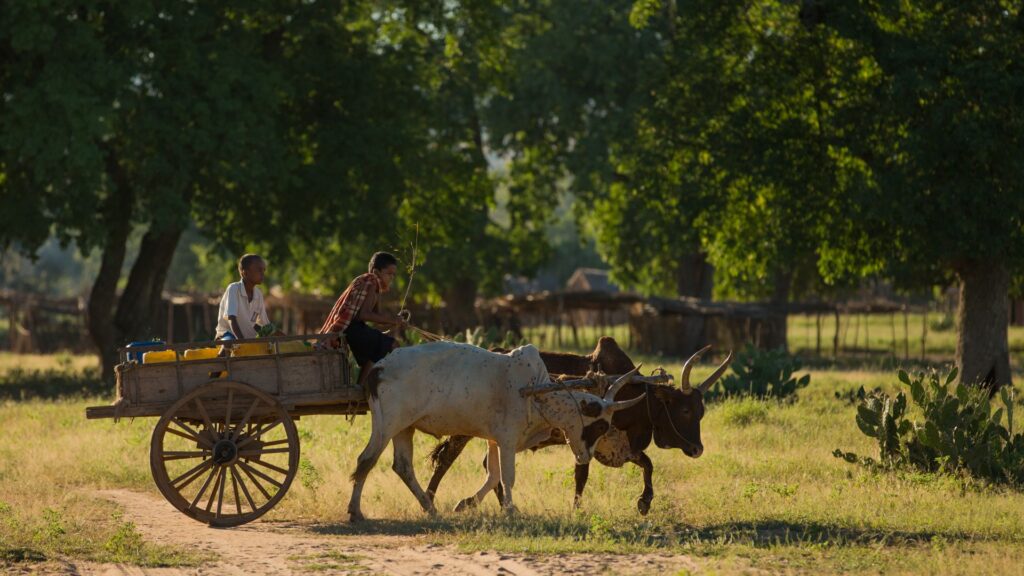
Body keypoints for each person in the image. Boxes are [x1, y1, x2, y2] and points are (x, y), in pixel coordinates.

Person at [318, 252, 407, 385]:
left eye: (393, 275)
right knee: (392, 345)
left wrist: (395, 322)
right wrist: (393, 319)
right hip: (352, 328)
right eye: (389, 274)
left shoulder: (376, 288)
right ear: (376, 272)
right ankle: (394, 383)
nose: (391, 278)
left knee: (379, 349)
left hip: (355, 329)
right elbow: (364, 315)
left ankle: (361, 388)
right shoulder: (371, 281)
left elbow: (377, 319)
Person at [216, 254, 271, 342]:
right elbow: (232, 319)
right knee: (229, 343)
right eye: (259, 270)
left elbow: (265, 325)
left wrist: (284, 338)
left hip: (248, 337)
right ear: (245, 273)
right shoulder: (234, 289)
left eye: (264, 270)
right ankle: (221, 355)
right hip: (228, 334)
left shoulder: (258, 294)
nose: (263, 274)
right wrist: (242, 342)